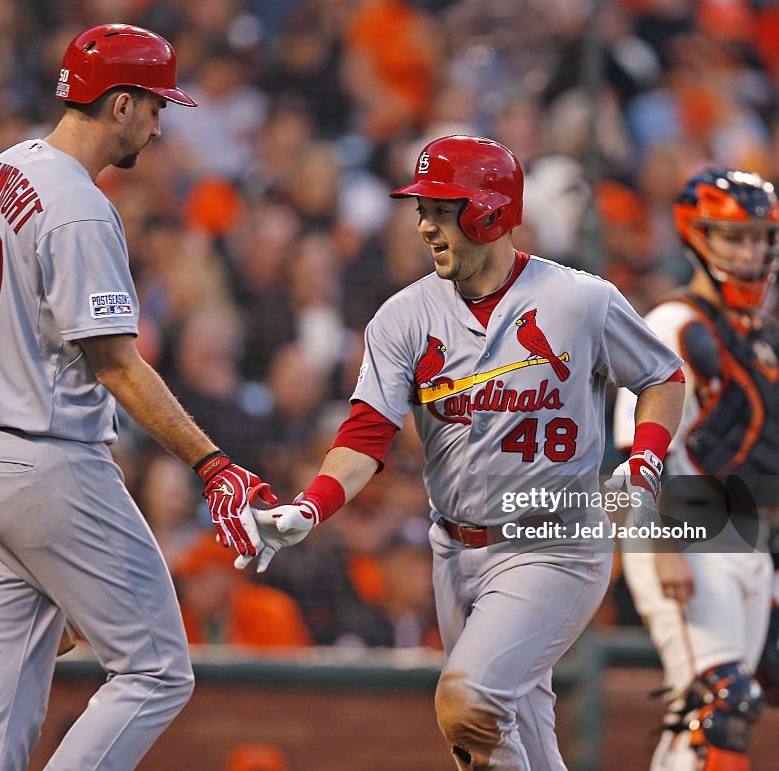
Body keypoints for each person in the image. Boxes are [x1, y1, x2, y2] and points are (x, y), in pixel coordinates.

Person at [239, 134, 685, 770]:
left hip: (555, 542)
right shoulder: (402, 317)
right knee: (518, 738)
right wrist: (310, 508)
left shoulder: (579, 299)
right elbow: (366, 434)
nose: (424, 225)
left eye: (440, 209)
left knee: (469, 705)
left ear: (490, 210)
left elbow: (663, 378)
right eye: (421, 209)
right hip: (454, 550)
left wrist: (642, 466)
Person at [0, 24, 273, 770]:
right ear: (119, 105)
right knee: (156, 669)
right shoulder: (78, 205)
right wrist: (212, 462)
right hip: (48, 467)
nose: (158, 125)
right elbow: (117, 365)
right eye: (154, 107)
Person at [614, 167, 779, 770]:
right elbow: (635, 447)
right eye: (734, 237)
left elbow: (767, 468)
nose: (749, 251)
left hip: (748, 535)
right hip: (685, 526)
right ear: (696, 237)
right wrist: (658, 543)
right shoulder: (671, 323)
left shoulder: (772, 340)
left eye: (758, 238)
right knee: (719, 704)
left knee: (717, 714)